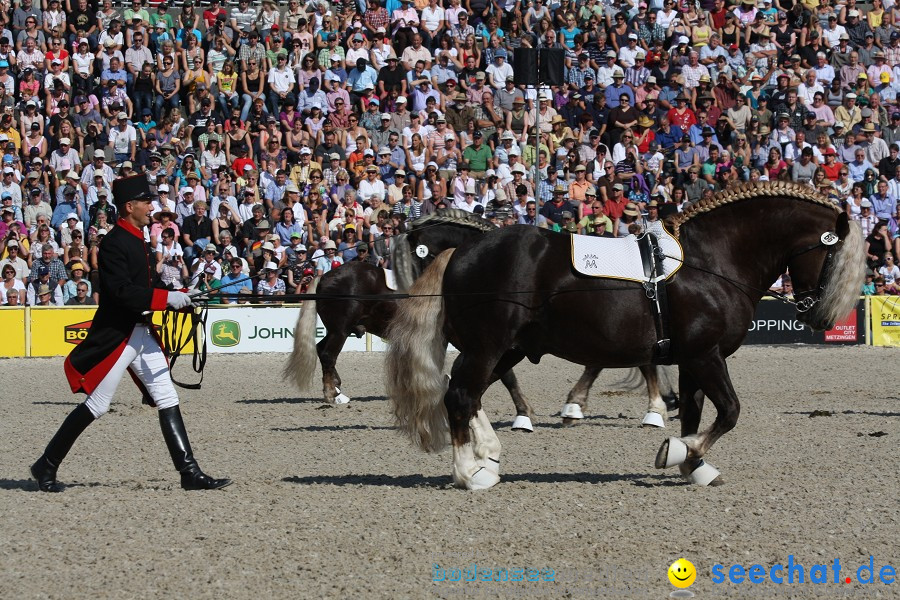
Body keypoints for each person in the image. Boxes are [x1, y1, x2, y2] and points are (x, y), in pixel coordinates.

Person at [30, 174, 231, 493]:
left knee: (167, 396)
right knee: (97, 405)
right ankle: (46, 465)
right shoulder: (113, 244)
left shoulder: (138, 238)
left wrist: (181, 292)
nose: (152, 206)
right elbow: (124, 293)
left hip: (141, 333)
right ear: (129, 206)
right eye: (146, 201)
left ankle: (189, 472)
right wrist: (167, 300)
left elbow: (145, 287)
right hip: (119, 336)